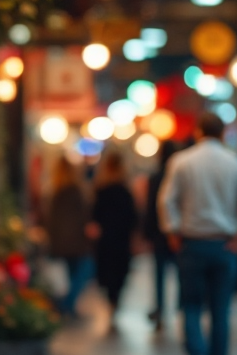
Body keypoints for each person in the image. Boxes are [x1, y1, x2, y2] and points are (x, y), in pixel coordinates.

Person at [159, 112, 237, 355]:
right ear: (223, 132)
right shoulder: (234, 162)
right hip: (224, 244)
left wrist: (173, 231)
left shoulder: (182, 161)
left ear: (198, 131)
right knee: (220, 311)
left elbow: (167, 201)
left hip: (192, 243)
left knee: (190, 306)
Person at [91, 152, 138, 330]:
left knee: (108, 270)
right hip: (121, 238)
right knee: (119, 270)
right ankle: (115, 300)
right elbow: (133, 217)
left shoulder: (101, 189)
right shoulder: (125, 190)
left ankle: (112, 300)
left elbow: (95, 215)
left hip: (106, 238)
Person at [143, 140, 184, 331]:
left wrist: (148, 233)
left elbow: (152, 206)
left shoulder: (156, 177)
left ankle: (161, 309)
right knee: (180, 272)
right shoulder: (180, 174)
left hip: (161, 233)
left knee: (159, 274)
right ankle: (181, 307)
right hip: (179, 233)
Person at [46, 156, 92, 316]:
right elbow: (83, 217)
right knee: (85, 270)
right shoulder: (76, 191)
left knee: (71, 275)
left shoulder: (56, 192)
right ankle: (67, 303)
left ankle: (67, 304)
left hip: (60, 241)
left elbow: (50, 220)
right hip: (76, 241)